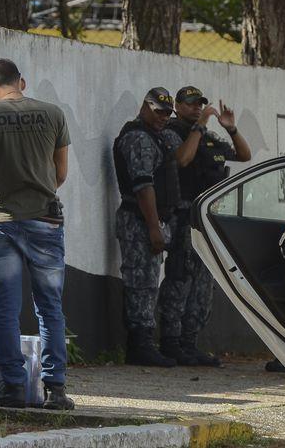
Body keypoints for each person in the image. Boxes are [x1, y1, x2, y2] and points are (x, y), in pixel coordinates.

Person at [0, 59, 74, 410]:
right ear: (21, 82)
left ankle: (13, 387)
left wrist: (2, 201)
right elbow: (60, 173)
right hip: (45, 220)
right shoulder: (53, 114)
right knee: (50, 308)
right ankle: (55, 390)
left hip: (4, 223)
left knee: (6, 309)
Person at [158, 86, 252, 366]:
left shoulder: (208, 137)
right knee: (180, 276)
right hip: (185, 214)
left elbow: (244, 156)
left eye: (200, 103)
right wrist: (199, 126)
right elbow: (182, 159)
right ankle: (171, 341)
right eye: (189, 103)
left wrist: (231, 129)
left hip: (208, 218)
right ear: (177, 105)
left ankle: (190, 341)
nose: (196, 108)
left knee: (203, 281)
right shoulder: (173, 132)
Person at [112, 87, 202, 366]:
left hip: (152, 218)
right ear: (145, 107)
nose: (164, 117)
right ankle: (140, 344)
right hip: (139, 219)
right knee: (141, 282)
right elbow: (143, 186)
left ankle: (146, 342)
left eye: (167, 113)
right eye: (158, 111)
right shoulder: (138, 137)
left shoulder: (157, 136)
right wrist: (153, 226)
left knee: (149, 282)